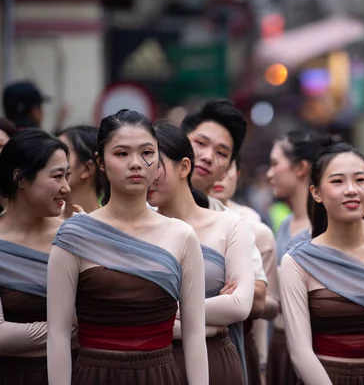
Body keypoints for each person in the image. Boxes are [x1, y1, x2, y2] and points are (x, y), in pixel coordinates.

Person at [47, 109, 209, 385]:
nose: (136, 163)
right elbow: (58, 334)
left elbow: (194, 334)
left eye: (147, 152)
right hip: (95, 375)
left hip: (159, 374)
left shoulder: (182, 236)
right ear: (100, 162)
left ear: (158, 160)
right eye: (121, 154)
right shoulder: (74, 235)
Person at [148, 123, 254, 385]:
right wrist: (212, 320)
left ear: (183, 167)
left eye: (154, 163)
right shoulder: (137, 230)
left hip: (214, 360)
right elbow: (132, 316)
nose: (144, 174)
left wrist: (161, 313)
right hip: (149, 363)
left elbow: (240, 305)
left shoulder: (230, 224)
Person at [180, 100, 269, 381]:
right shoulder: (143, 212)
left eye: (221, 153)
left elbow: (255, 298)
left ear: (228, 168)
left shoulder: (232, 223)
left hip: (216, 359)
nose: (207, 157)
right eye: (200, 143)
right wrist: (218, 307)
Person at [281, 143, 364, 384]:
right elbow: (300, 351)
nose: (351, 190)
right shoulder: (297, 261)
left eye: (360, 180)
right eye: (337, 181)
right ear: (316, 193)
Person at [0, 130, 76, 384]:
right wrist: (68, 330)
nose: (66, 187)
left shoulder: (74, 236)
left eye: (67, 175)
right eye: (57, 176)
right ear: (20, 178)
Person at [265, 129, 333, 385]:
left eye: (275, 164)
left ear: (301, 168)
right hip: (280, 342)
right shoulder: (284, 226)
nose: (269, 173)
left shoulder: (324, 231)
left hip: (316, 348)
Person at [210, 154, 279, 385]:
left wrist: (261, 361)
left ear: (238, 174)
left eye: (228, 167)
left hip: (237, 346)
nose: (220, 174)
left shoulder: (253, 227)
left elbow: (268, 304)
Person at [57, 125, 102, 217]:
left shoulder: (108, 226)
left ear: (87, 169)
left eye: (63, 153)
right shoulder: (42, 219)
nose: (51, 161)